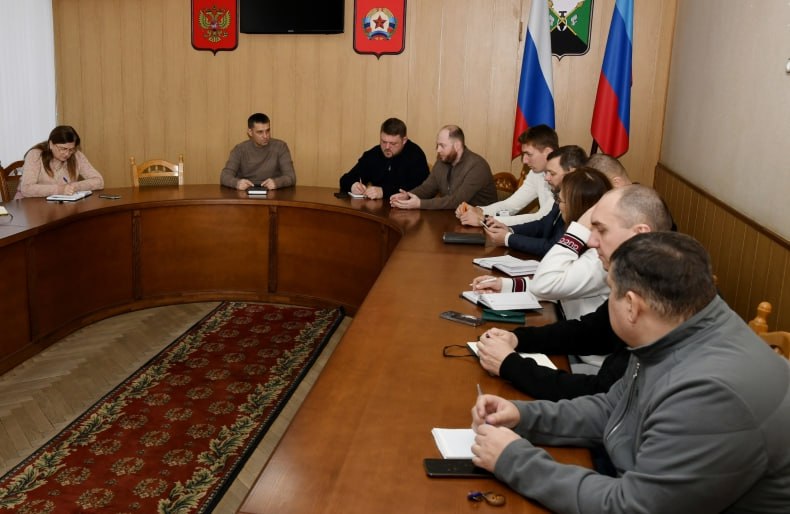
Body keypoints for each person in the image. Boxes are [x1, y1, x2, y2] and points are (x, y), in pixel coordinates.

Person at [471, 232, 790, 513]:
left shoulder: (710, 394)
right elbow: (615, 408)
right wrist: (525, 417)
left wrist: (514, 460)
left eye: (610, 291)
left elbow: (633, 506)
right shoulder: (676, 330)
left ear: (632, 306)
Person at [474, 185, 673, 400]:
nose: (592, 241)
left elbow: (600, 395)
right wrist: (517, 339)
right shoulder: (636, 276)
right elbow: (590, 332)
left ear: (640, 234)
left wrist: (510, 365)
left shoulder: (664, 294)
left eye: (602, 230)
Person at [471, 154, 633, 321]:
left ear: (577, 207)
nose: (558, 205)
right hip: (564, 320)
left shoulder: (599, 256)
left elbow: (546, 285)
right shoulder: (587, 241)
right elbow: (557, 285)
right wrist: (504, 285)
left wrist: (578, 228)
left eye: (560, 200)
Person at [481, 146, 587, 257]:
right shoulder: (560, 193)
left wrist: (508, 239)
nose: (546, 178)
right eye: (546, 172)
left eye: (552, 173)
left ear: (572, 173)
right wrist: (510, 230)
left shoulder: (581, 202)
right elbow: (543, 224)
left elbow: (553, 247)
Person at [456, 125, 558, 226]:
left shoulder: (563, 177)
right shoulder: (536, 173)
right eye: (523, 154)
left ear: (547, 152)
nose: (524, 160)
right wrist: (479, 210)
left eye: (529, 154)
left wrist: (485, 220)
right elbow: (511, 205)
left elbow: (542, 218)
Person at [389, 125, 496, 210]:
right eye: (437, 145)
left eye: (442, 145)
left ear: (457, 146)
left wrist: (420, 204)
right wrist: (408, 196)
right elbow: (427, 188)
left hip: (482, 223)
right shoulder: (443, 160)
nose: (438, 150)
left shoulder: (477, 166)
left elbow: (457, 201)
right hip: (452, 217)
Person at [338, 118, 429, 199]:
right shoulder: (373, 154)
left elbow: (424, 189)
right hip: (376, 209)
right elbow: (345, 179)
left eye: (393, 143)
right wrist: (353, 185)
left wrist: (384, 192)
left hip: (406, 210)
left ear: (404, 140)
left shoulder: (416, 155)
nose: (387, 147)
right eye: (384, 142)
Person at [18, 125, 104, 198]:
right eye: (63, 149)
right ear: (51, 144)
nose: (67, 154)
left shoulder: (77, 155)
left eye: (71, 149)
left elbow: (99, 181)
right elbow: (26, 189)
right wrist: (60, 189)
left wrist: (75, 186)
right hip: (30, 204)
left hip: (60, 204)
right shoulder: (35, 155)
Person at [220, 113, 296, 191]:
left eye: (267, 131)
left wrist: (276, 183)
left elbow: (291, 177)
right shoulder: (239, 149)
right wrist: (237, 183)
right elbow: (224, 176)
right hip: (246, 193)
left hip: (273, 192)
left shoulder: (280, 147)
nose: (265, 136)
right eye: (260, 132)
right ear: (250, 132)